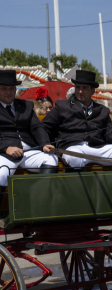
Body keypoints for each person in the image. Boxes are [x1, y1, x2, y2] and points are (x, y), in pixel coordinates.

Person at [42, 70, 112, 169]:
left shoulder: (102, 110)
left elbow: (109, 133)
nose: (80, 91)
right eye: (78, 87)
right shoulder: (62, 106)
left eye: (84, 88)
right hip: (73, 148)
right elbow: (43, 127)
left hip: (98, 148)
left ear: (92, 90)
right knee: (74, 158)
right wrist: (45, 143)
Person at [0, 70, 58, 199]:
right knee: (1, 173)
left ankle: (39, 203)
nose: (8, 92)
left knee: (51, 159)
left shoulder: (26, 105)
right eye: (4, 89)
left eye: (11, 88)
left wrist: (45, 143)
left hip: (29, 151)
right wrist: (6, 148)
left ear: (15, 89)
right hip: (4, 153)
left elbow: (37, 127)